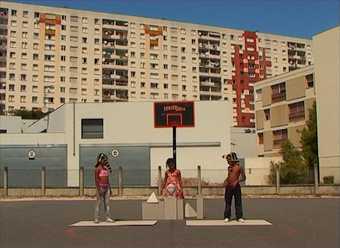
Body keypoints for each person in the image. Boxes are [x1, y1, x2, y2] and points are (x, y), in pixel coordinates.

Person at [223, 152, 246, 222]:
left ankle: (239, 217)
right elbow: (229, 176)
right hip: (229, 187)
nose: (228, 161)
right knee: (228, 202)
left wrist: (237, 181)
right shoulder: (229, 168)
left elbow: (244, 178)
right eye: (227, 160)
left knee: (238, 202)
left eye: (229, 160)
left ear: (233, 159)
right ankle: (227, 216)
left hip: (236, 187)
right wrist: (225, 181)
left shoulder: (239, 167)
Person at [94, 153, 114, 223]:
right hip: (100, 187)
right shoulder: (97, 169)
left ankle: (108, 217)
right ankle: (96, 218)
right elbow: (96, 180)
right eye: (103, 159)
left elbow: (107, 179)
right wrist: (99, 189)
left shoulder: (106, 169)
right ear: (100, 160)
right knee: (99, 203)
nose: (105, 161)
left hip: (107, 187)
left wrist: (110, 189)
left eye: (105, 160)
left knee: (107, 203)